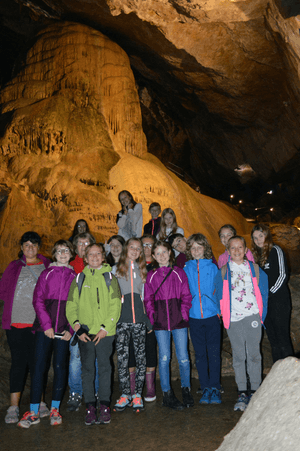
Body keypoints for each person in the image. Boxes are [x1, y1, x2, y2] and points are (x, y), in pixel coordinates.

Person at [18, 240, 76, 428]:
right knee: (39, 367)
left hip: (63, 331)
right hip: (45, 329)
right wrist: (46, 325)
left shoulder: (75, 277)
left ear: (71, 253)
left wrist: (70, 329)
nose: (63, 253)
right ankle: (34, 411)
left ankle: (55, 409)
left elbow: (78, 305)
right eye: (59, 250)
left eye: (66, 250)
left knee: (60, 366)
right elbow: (38, 300)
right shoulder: (46, 273)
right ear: (54, 254)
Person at [66, 243, 122, 425]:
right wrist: (77, 327)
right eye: (91, 254)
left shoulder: (110, 278)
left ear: (103, 256)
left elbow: (115, 304)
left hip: (105, 332)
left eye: (98, 254)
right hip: (85, 333)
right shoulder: (79, 279)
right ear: (86, 257)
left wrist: (105, 328)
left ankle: (104, 404)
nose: (95, 257)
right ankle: (90, 406)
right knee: (87, 370)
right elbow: (71, 305)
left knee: (105, 368)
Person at [1, 232, 51, 424]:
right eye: (27, 245)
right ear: (21, 247)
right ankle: (13, 406)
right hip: (16, 323)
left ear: (39, 247)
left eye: (34, 245)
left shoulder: (46, 266)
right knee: (18, 363)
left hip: (39, 325)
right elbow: (3, 291)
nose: (30, 248)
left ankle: (39, 402)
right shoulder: (13, 266)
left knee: (38, 363)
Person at [214, 236, 268, 412]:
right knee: (238, 356)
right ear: (228, 251)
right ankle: (242, 391)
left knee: (254, 354)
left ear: (246, 250)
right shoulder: (223, 271)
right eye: (233, 248)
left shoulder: (255, 269)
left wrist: (261, 316)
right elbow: (218, 294)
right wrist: (222, 314)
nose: (236, 251)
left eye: (240, 247)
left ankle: (255, 389)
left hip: (252, 316)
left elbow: (264, 293)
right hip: (234, 319)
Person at [144, 241, 193, 410]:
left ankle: (186, 389)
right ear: (153, 257)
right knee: (164, 358)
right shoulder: (151, 276)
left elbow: (186, 295)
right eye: (158, 253)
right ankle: (167, 394)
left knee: (184, 358)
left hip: (178, 321)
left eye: (164, 252)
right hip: (161, 323)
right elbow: (148, 299)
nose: (162, 255)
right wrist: (152, 316)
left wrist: (183, 313)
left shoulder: (179, 273)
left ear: (170, 253)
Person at [114, 238, 151, 413]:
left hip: (139, 322)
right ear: (125, 249)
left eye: (138, 249)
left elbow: (144, 298)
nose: (135, 251)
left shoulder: (142, 270)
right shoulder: (116, 269)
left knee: (140, 358)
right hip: (122, 321)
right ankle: (125, 393)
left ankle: (137, 394)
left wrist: (146, 319)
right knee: (122, 359)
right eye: (132, 247)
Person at [184, 234, 221, 405]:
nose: (197, 250)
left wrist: (220, 310)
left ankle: (215, 386)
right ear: (189, 251)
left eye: (200, 247)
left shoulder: (213, 268)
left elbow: (220, 290)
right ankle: (205, 386)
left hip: (212, 315)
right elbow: (183, 293)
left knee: (213, 352)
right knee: (200, 354)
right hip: (194, 316)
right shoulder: (186, 269)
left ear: (205, 249)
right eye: (193, 248)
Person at [251, 224, 294, 362]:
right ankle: (277, 374)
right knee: (273, 339)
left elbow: (283, 275)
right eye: (255, 238)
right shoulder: (257, 256)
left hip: (279, 301)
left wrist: (269, 293)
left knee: (283, 338)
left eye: (261, 236)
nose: (258, 240)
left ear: (267, 235)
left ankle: (291, 374)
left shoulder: (276, 250)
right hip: (265, 304)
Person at [67, 231, 96, 412]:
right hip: (76, 321)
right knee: (75, 359)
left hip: (94, 321)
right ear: (75, 247)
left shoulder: (97, 265)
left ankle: (95, 392)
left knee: (94, 359)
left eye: (87, 243)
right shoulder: (70, 267)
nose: (84, 246)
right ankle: (76, 393)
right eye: (80, 243)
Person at [128, 235, 157, 402]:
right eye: (143, 245)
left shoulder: (156, 266)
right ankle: (133, 388)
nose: (146, 248)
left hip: (150, 313)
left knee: (149, 348)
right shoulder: (132, 266)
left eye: (149, 245)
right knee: (132, 349)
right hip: (133, 314)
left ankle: (150, 386)